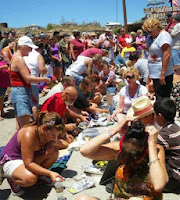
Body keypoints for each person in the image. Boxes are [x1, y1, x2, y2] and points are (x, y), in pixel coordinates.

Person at [76, 119, 168, 200]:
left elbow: (158, 185)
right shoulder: (120, 149)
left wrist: (152, 144)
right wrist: (114, 130)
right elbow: (85, 151)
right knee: (82, 199)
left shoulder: (155, 151)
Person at [0, 112, 66, 196]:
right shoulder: (29, 134)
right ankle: (12, 179)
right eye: (53, 135)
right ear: (44, 128)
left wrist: (51, 144)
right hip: (12, 159)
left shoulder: (45, 133)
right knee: (30, 178)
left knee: (53, 152)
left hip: (27, 158)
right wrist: (49, 173)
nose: (54, 138)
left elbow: (65, 144)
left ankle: (40, 176)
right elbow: (28, 164)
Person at [10, 36, 51, 130]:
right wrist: (44, 79)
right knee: (25, 126)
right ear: (22, 47)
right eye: (29, 47)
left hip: (20, 91)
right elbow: (27, 78)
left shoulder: (16, 57)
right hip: (21, 92)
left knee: (20, 126)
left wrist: (30, 92)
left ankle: (17, 144)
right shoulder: (19, 59)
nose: (31, 50)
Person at [142, 18, 174, 99]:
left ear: (155, 28)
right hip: (156, 73)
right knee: (159, 96)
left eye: (150, 32)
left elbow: (166, 55)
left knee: (163, 98)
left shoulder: (163, 36)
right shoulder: (156, 37)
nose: (149, 34)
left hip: (162, 74)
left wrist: (162, 74)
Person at [154, 98, 180, 193]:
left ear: (159, 116)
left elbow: (150, 152)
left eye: (154, 114)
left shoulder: (164, 135)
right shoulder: (175, 127)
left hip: (174, 179)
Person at [23, 39, 47, 120]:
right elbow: (42, 69)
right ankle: (35, 121)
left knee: (25, 103)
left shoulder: (20, 55)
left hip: (22, 81)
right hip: (33, 80)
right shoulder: (37, 55)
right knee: (34, 103)